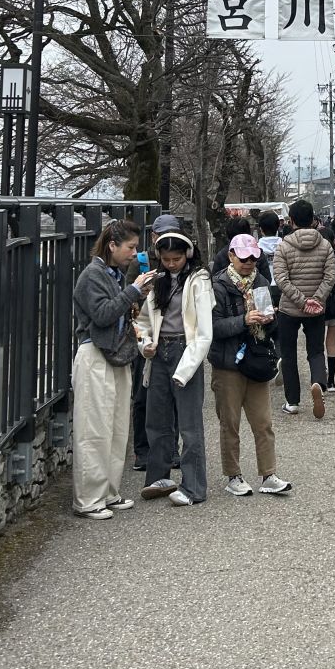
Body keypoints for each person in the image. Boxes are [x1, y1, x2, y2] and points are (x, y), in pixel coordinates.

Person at [71, 220, 150, 519]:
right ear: (112, 246)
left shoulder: (111, 274)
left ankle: (108, 492)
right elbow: (103, 314)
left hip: (114, 354)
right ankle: (89, 499)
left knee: (117, 428)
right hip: (95, 354)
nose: (134, 253)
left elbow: (116, 310)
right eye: (130, 247)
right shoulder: (92, 275)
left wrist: (134, 293)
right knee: (94, 429)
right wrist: (133, 290)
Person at [210, 233, 291, 497]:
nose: (249, 263)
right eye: (244, 257)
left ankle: (269, 474)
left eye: (254, 258)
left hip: (256, 359)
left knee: (263, 422)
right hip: (227, 363)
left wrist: (271, 320)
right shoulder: (218, 285)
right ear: (231, 256)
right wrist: (244, 320)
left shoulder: (261, 281)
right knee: (229, 423)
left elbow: (272, 325)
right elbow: (212, 327)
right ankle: (233, 475)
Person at [138, 228, 214, 507]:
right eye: (167, 259)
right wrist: (144, 344)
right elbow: (143, 321)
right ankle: (159, 478)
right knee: (156, 420)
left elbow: (204, 332)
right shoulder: (156, 280)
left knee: (190, 424)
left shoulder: (199, 279)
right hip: (159, 352)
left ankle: (194, 487)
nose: (172, 264)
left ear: (188, 255)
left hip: (186, 349)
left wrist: (186, 370)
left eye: (177, 259)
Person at [128, 212, 183, 472]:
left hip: (174, 336)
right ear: (153, 237)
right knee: (142, 396)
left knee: (174, 397)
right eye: (162, 236)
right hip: (145, 335)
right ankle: (143, 451)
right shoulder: (140, 262)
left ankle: (171, 450)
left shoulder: (185, 262)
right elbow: (126, 297)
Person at [273, 198, 335, 419]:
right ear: (313, 220)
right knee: (316, 350)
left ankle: (292, 402)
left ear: (291, 221)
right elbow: (330, 276)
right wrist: (316, 299)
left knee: (289, 354)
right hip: (317, 309)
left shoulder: (283, 246)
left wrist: (301, 301)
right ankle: (318, 382)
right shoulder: (325, 245)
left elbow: (281, 278)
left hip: (289, 309)